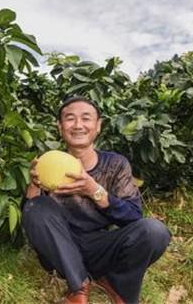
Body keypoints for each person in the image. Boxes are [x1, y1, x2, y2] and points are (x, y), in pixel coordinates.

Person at [21, 96, 171, 304]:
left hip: (101, 246)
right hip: (60, 249)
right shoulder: (48, 163)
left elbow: (133, 215)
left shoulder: (115, 164)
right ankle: (79, 286)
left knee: (154, 231)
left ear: (98, 126)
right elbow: (32, 216)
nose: (78, 125)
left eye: (86, 118)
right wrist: (34, 185)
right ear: (60, 126)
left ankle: (116, 283)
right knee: (36, 206)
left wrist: (94, 190)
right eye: (70, 118)